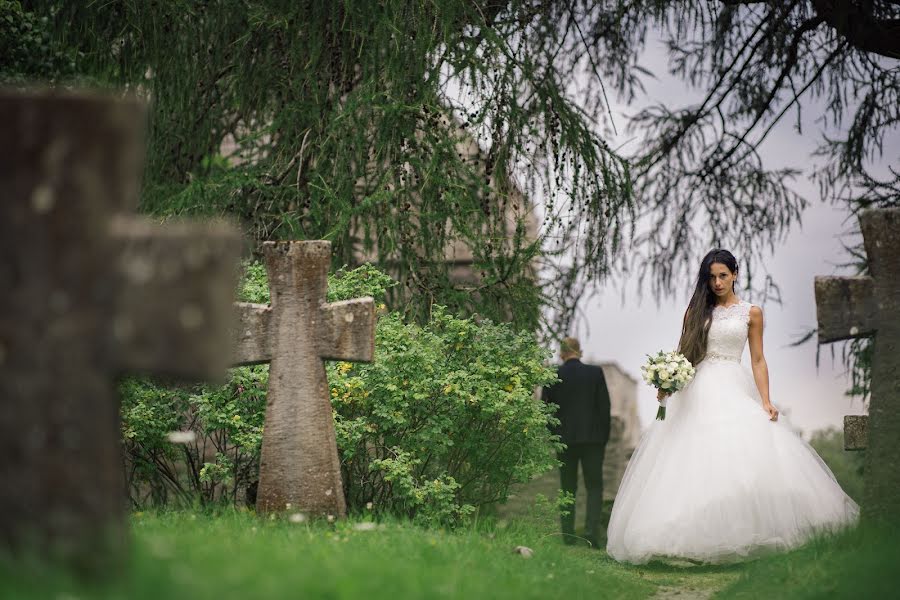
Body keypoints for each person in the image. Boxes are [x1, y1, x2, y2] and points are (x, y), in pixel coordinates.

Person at [606, 249, 859, 564]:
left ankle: (740, 534)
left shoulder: (751, 313)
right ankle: (680, 538)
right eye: (711, 277)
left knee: (740, 453)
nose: (716, 282)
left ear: (735, 274)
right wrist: (667, 382)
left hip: (732, 382)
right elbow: (683, 354)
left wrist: (766, 400)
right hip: (696, 387)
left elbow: (757, 359)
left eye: (723, 275)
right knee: (688, 457)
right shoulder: (695, 312)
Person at [542, 337, 611, 548]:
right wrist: (603, 438)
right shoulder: (595, 373)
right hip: (593, 440)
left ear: (561, 353)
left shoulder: (553, 375)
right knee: (594, 486)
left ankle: (568, 535)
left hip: (564, 441)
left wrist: (555, 435)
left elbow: (547, 410)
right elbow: (604, 408)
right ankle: (591, 533)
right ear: (579, 351)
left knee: (567, 488)